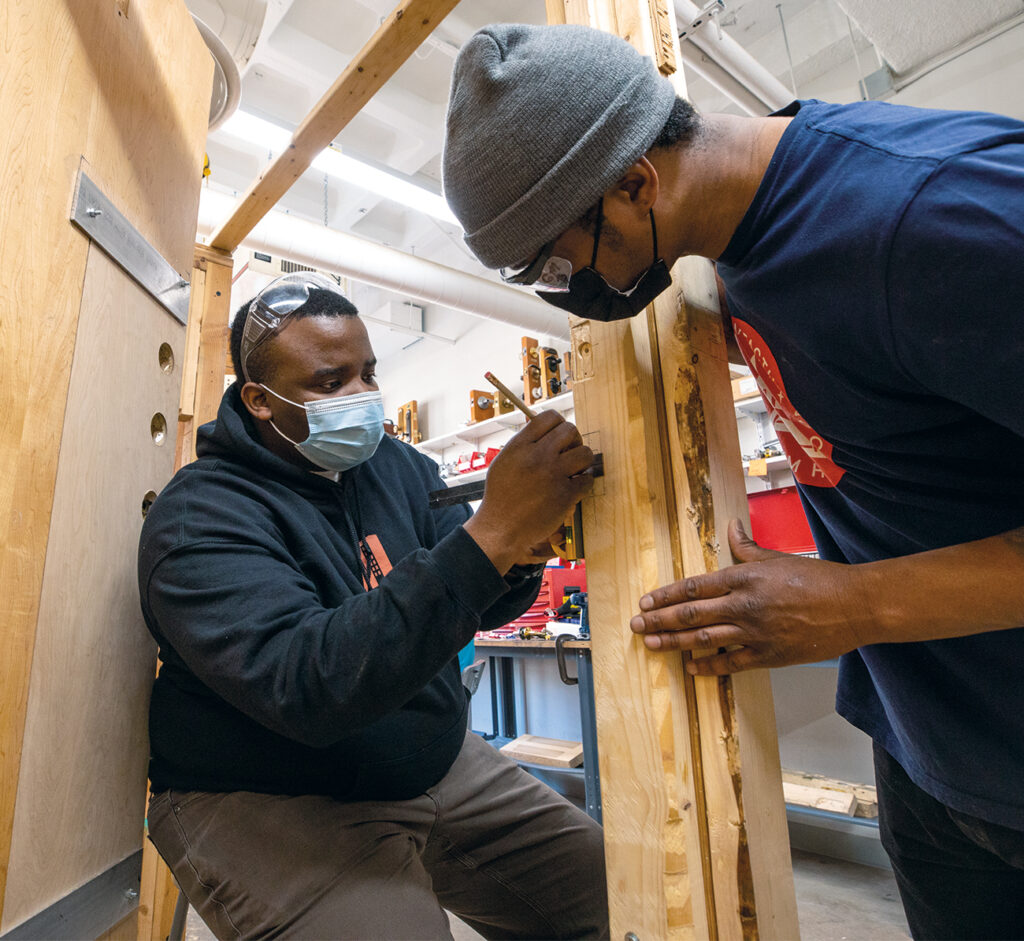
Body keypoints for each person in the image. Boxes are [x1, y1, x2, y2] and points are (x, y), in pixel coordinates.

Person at [441, 23, 1024, 940]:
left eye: (557, 265)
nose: (565, 293)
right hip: (933, 747)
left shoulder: (930, 218)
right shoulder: (736, 240)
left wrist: (856, 606)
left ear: (636, 182)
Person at [138, 272, 608, 940]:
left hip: (430, 757)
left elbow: (480, 596)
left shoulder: (399, 466)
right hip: (269, 792)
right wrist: (491, 534)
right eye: (331, 383)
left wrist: (521, 547)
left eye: (368, 374)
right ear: (258, 399)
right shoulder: (200, 515)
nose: (362, 399)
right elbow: (310, 685)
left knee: (625, 901)